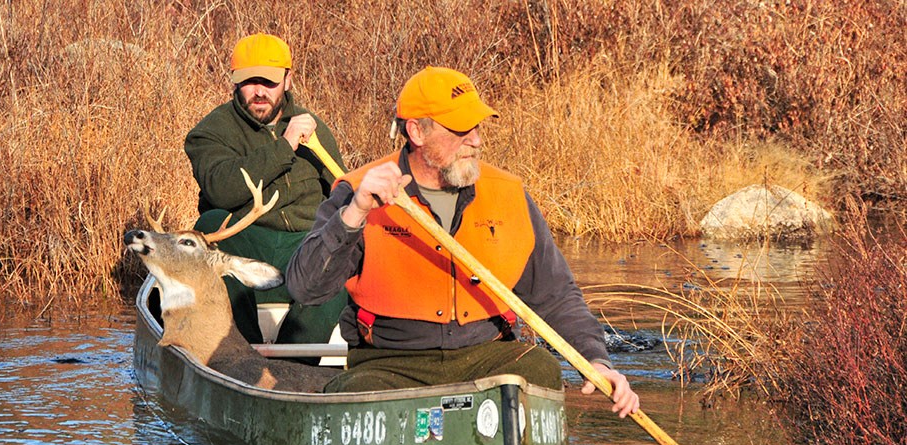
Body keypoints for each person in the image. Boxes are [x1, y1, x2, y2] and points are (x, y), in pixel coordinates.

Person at [286, 66, 639, 417]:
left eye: (477, 127)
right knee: (358, 396)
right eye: (460, 129)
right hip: (389, 363)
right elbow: (305, 288)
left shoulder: (509, 195)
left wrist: (597, 360)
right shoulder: (359, 191)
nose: (476, 139)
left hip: (487, 356)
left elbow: (556, 294)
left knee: (540, 371)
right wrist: (355, 212)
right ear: (416, 132)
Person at [185, 33, 347, 346]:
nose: (259, 92)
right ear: (234, 82)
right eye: (250, 82)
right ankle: (240, 349)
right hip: (248, 241)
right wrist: (285, 146)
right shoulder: (210, 132)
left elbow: (340, 196)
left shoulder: (314, 129)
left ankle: (299, 355)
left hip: (302, 245)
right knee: (208, 225)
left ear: (288, 80)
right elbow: (222, 190)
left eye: (269, 82)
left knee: (350, 244)